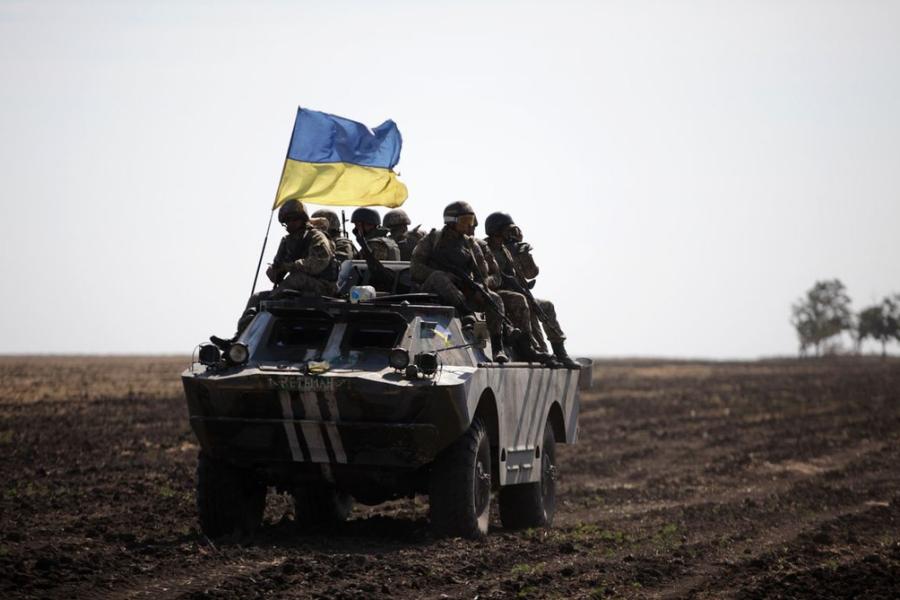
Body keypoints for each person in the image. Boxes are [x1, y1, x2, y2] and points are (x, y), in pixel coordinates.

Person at [211, 200, 337, 347]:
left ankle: (268, 305)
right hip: (296, 288)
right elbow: (277, 272)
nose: (290, 224)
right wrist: (274, 271)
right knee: (257, 297)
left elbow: (318, 264)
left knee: (295, 279)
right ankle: (239, 338)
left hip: (324, 287)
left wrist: (288, 267)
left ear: (302, 219)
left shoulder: (316, 237)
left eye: (294, 219)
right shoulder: (287, 241)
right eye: (287, 220)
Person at [410, 201, 510, 363]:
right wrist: (442, 274)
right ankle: (466, 313)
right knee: (438, 277)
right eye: (465, 221)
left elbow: (482, 274)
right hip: (432, 289)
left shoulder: (471, 245)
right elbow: (415, 268)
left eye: (471, 221)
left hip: (463, 288)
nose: (469, 225)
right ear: (451, 221)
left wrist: (479, 286)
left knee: (495, 299)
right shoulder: (433, 239)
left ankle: (498, 347)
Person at [484, 211, 579, 368]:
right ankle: (534, 349)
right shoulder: (485, 249)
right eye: (508, 231)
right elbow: (490, 277)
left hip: (517, 293)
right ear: (496, 231)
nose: (512, 235)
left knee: (546, 306)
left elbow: (531, 274)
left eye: (513, 231)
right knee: (524, 303)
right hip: (498, 295)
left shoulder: (507, 250)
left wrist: (524, 255)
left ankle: (560, 351)